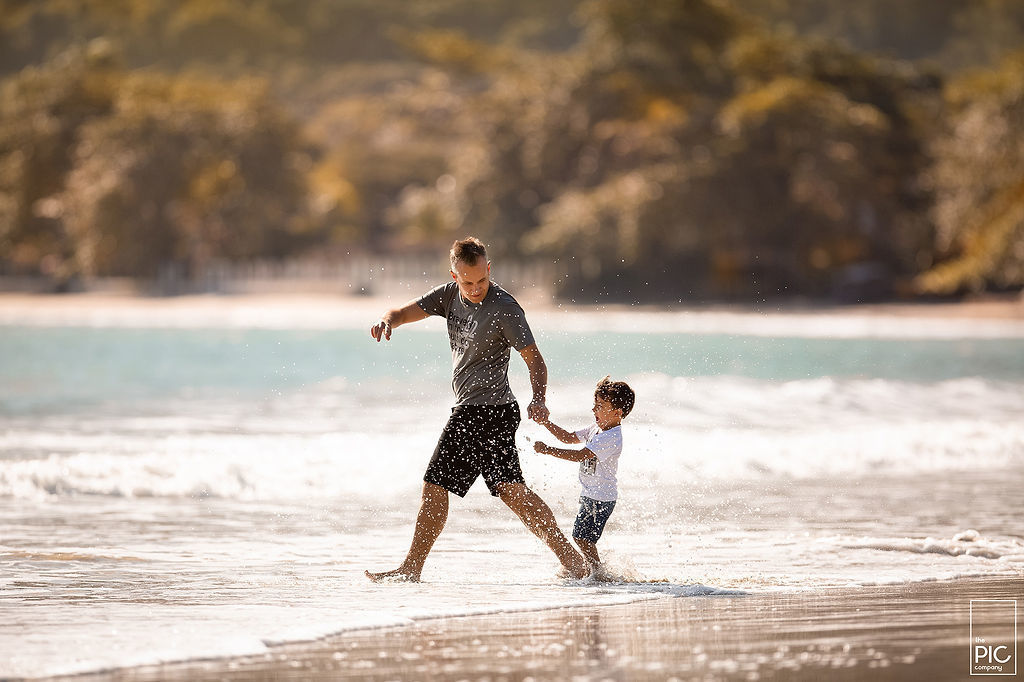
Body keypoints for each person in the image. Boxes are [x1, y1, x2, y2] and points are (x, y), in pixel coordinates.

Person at [365, 237, 589, 582]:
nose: (474, 288)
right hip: (488, 412)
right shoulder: (447, 296)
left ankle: (411, 570)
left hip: (483, 411)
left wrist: (540, 398)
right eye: (467, 282)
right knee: (512, 490)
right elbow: (401, 312)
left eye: (481, 280)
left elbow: (535, 360)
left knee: (435, 485)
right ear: (454, 276)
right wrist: (386, 322)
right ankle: (574, 563)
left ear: (489, 269)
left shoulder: (505, 308)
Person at [533, 376, 635, 571]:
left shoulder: (611, 437)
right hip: (590, 494)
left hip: (601, 498)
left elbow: (580, 455)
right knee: (582, 537)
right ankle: (594, 571)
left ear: (617, 412)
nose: (593, 409)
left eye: (600, 405)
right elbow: (568, 437)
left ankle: (597, 572)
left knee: (582, 538)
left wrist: (548, 450)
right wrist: (546, 423)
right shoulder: (596, 428)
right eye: (595, 404)